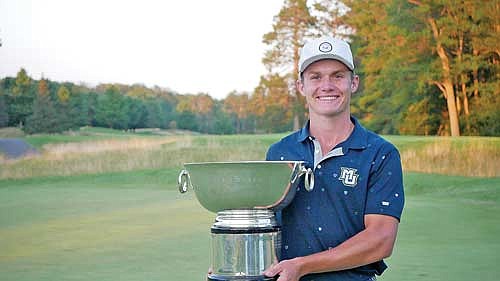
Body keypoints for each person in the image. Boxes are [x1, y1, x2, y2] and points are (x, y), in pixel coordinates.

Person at [263, 36, 405, 281]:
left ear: (354, 83)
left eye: (337, 76)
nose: (326, 85)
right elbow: (265, 227)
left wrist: (302, 265)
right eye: (315, 77)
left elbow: (380, 240)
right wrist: (234, 265)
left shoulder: (380, 154)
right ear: (301, 86)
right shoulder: (279, 153)